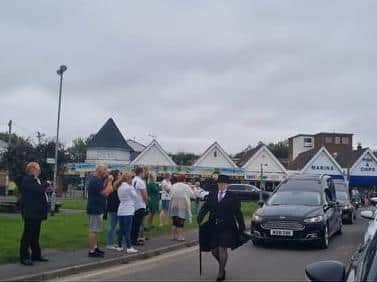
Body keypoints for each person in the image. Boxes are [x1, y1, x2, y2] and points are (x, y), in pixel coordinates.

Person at [197, 174, 246, 282]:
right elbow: (205, 208)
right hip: (213, 226)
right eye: (220, 183)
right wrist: (200, 217)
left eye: (223, 184)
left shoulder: (233, 197)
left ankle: (220, 273)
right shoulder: (212, 195)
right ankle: (222, 266)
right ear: (217, 184)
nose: (221, 185)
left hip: (227, 226)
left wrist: (242, 227)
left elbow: (238, 213)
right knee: (214, 250)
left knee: (222, 248)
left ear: (227, 185)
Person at [19, 162, 50, 266]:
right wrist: (47, 184)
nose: (39, 170)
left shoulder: (37, 180)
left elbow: (40, 191)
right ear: (32, 169)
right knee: (27, 235)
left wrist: (46, 188)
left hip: (37, 212)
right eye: (38, 168)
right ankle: (24, 257)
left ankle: (36, 255)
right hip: (30, 212)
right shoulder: (27, 180)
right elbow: (38, 190)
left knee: (35, 235)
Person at [86, 164, 113, 258]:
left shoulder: (98, 180)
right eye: (105, 169)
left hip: (97, 207)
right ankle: (91, 251)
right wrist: (110, 182)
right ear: (99, 171)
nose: (106, 171)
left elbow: (104, 189)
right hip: (95, 208)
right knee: (93, 230)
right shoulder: (95, 181)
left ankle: (95, 247)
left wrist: (106, 181)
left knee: (96, 229)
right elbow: (106, 193)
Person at [169, 174, 195, 241]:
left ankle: (173, 236)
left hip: (174, 204)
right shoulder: (186, 186)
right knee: (181, 221)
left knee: (174, 221)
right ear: (184, 179)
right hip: (182, 205)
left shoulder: (173, 185)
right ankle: (180, 237)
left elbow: (170, 194)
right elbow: (192, 195)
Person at [117, 171, 139, 253]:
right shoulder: (129, 187)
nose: (132, 179)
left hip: (121, 209)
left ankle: (119, 246)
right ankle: (129, 247)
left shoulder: (120, 186)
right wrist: (133, 187)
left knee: (121, 229)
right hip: (128, 210)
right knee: (127, 229)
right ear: (128, 178)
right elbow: (135, 196)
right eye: (131, 178)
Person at [105, 170, 123, 251]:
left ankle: (113, 241)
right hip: (113, 207)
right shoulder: (113, 183)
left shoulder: (116, 183)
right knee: (112, 225)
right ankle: (109, 243)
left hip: (116, 206)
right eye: (119, 174)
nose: (120, 175)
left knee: (115, 225)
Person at [131, 167, 148, 246]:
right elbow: (144, 195)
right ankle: (134, 240)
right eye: (144, 172)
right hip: (140, 204)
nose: (145, 174)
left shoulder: (133, 180)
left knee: (134, 223)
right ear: (141, 172)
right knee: (137, 224)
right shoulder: (141, 182)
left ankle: (132, 238)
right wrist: (147, 202)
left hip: (134, 204)